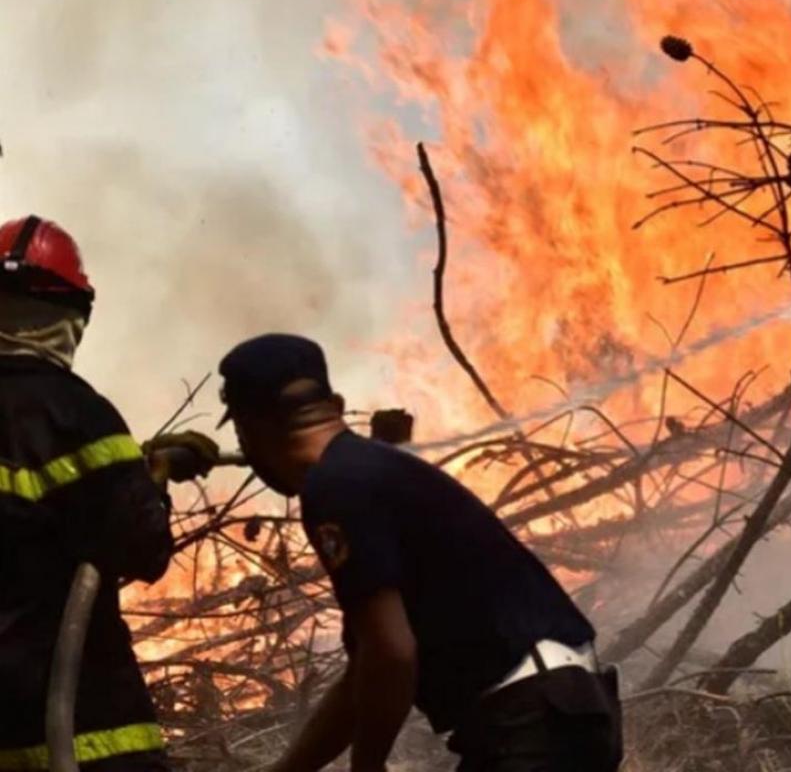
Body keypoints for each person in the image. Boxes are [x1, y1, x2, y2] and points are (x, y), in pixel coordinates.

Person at [216, 333, 622, 772]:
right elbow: (364, 673)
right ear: (334, 404)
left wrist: (366, 767)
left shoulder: (333, 487)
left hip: (532, 723)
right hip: (564, 712)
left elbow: (392, 654)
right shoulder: (371, 470)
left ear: (249, 429)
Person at [0, 215, 216, 771]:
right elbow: (141, 547)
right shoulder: (77, 414)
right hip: (83, 726)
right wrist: (156, 476)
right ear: (73, 315)